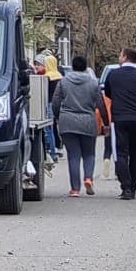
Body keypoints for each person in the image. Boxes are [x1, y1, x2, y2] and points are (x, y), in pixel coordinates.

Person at [101, 48, 136, 199]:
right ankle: (134, 187)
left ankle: (126, 187)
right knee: (135, 153)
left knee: (120, 153)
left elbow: (108, 93)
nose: (119, 57)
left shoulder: (114, 74)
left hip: (120, 118)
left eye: (120, 54)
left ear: (125, 57)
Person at [52, 54, 103, 197]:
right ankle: (88, 178)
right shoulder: (93, 83)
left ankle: (75, 189)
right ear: (85, 67)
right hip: (87, 120)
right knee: (89, 154)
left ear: (73, 66)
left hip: (68, 121)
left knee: (73, 156)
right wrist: (105, 121)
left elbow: (56, 102)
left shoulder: (63, 82)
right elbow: (100, 103)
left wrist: (58, 116)